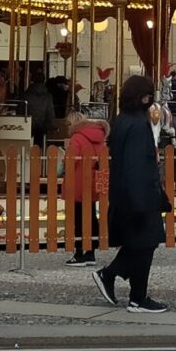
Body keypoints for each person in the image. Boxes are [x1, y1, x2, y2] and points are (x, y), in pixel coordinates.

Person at [91, 74, 171, 313]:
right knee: (145, 243)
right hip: (139, 197)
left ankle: (134, 293)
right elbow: (136, 165)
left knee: (140, 244)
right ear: (143, 97)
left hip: (126, 195)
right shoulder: (137, 124)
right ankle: (119, 282)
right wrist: (142, 201)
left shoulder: (122, 120)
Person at [62, 108, 108, 266]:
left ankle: (80, 251)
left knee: (78, 218)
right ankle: (91, 251)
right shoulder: (100, 138)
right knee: (91, 216)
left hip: (78, 182)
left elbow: (70, 160)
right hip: (94, 182)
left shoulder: (77, 138)